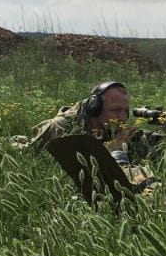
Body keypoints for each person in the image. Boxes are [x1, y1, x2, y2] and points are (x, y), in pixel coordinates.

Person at [27, 80, 158, 188]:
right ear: (95, 107)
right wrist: (113, 151)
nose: (122, 118)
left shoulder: (113, 127)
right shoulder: (62, 128)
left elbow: (148, 142)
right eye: (116, 110)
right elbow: (77, 175)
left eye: (125, 111)